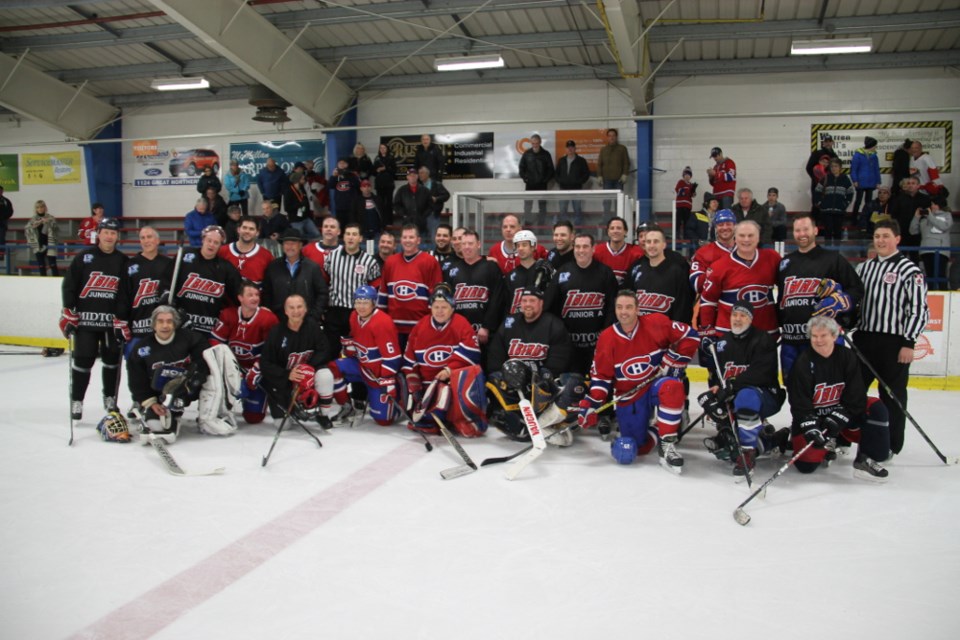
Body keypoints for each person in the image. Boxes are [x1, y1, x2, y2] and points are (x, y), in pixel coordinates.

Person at [578, 290, 698, 472]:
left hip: (655, 385)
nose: (623, 312)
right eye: (619, 307)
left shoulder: (656, 323)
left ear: (637, 309)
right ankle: (665, 427)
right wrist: (592, 403)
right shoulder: (607, 338)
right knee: (639, 448)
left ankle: (668, 444)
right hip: (630, 394)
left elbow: (691, 335)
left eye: (628, 307)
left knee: (671, 387)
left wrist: (673, 360)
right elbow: (601, 377)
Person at [854, 219, 929, 456]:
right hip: (864, 339)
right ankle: (846, 437)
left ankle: (891, 444)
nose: (881, 241)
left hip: (894, 343)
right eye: (877, 236)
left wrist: (909, 342)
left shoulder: (910, 270)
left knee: (893, 397)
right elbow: (855, 303)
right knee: (852, 392)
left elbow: (919, 310)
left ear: (897, 239)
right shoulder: (864, 268)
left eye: (886, 236)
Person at [787, 316, 891, 481]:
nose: (818, 340)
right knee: (806, 467)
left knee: (876, 407)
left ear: (834, 336)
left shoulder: (847, 357)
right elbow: (799, 402)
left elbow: (856, 394)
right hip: (818, 420)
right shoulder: (803, 362)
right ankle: (825, 446)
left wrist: (840, 415)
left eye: (823, 336)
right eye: (814, 336)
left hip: (843, 417)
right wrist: (811, 425)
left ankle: (865, 458)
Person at [127, 306, 241, 441]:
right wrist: (151, 403)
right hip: (162, 395)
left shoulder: (191, 339)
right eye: (161, 321)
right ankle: (172, 415)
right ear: (154, 324)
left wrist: (192, 380)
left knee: (219, 356)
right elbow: (137, 381)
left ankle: (210, 417)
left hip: (189, 387)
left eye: (169, 321)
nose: (165, 325)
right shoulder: (142, 349)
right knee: (156, 426)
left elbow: (204, 363)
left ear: (175, 324)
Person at [698, 300, 786, 477]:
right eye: (735, 315)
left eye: (743, 315)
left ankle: (747, 454)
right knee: (706, 401)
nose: (737, 319)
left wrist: (732, 385)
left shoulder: (763, 340)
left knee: (746, 396)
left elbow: (763, 374)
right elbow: (717, 376)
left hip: (766, 395)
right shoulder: (722, 344)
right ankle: (770, 440)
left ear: (751, 319)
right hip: (735, 396)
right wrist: (714, 390)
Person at [486, 288, 579, 443]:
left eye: (532, 301)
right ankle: (525, 425)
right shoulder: (510, 323)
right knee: (494, 383)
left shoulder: (553, 324)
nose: (527, 304)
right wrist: (503, 375)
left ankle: (543, 423)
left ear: (541, 303)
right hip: (514, 384)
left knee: (572, 385)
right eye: (524, 301)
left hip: (541, 384)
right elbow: (495, 355)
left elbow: (560, 356)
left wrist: (544, 376)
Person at [776, 213, 863, 377]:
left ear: (815, 230)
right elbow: (782, 299)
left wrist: (839, 302)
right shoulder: (785, 264)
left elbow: (856, 289)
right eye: (797, 230)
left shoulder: (832, 259)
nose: (802, 234)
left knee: (826, 390)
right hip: (791, 340)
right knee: (795, 391)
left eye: (806, 229)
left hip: (822, 340)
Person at [59, 217, 128, 421]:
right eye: (106, 232)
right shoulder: (84, 257)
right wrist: (68, 311)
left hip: (110, 323)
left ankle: (109, 399)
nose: (109, 236)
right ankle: (77, 400)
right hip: (86, 322)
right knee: (83, 361)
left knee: (112, 362)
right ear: (99, 233)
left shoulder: (123, 261)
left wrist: (122, 318)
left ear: (117, 237)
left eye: (113, 233)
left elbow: (126, 293)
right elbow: (69, 285)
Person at [401, 284, 483, 434]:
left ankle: (450, 418)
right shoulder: (420, 326)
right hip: (426, 386)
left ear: (452, 308)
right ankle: (429, 417)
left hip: (451, 383)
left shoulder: (461, 323)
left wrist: (448, 369)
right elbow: (409, 359)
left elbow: (473, 353)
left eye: (444, 307)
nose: (439, 311)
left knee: (468, 375)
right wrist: (412, 379)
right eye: (436, 306)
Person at [327, 285, 402, 426]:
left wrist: (386, 379)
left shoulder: (382, 323)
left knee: (383, 420)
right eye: (358, 302)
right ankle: (346, 406)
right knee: (332, 368)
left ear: (374, 303)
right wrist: (350, 347)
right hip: (361, 366)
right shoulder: (354, 316)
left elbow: (393, 358)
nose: (361, 307)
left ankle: (399, 402)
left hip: (377, 373)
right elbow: (355, 341)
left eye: (365, 302)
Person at [544, 233, 618, 375]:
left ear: (593, 249)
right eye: (577, 246)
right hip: (569, 346)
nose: (581, 250)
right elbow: (550, 306)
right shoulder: (562, 273)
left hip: (597, 345)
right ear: (573, 248)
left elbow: (612, 307)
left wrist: (606, 333)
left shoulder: (605, 273)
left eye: (585, 246)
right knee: (571, 386)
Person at [257, 293, 335, 425]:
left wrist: (308, 368)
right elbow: (265, 363)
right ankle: (293, 410)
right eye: (291, 308)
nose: (296, 311)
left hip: (307, 376)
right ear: (286, 310)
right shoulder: (277, 332)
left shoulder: (313, 327)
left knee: (325, 375)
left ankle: (323, 414)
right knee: (283, 425)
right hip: (284, 381)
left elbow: (324, 350)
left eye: (299, 307)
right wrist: (287, 375)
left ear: (305, 309)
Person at [210, 280, 280, 424]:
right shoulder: (228, 314)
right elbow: (215, 343)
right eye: (250, 295)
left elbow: (273, 351)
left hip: (256, 368)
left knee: (253, 418)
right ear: (240, 298)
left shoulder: (268, 319)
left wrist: (257, 369)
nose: (255, 298)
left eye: (256, 294)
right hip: (233, 367)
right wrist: (229, 370)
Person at [699, 220, 780, 336]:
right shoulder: (719, 266)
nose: (746, 239)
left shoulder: (772, 258)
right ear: (735, 238)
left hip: (766, 333)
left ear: (758, 238)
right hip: (729, 335)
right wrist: (707, 331)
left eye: (751, 235)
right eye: (742, 235)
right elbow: (708, 300)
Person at [321, 222, 381, 355]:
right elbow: (324, 283)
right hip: (334, 311)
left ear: (360, 238)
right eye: (348, 234)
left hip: (358, 312)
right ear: (343, 236)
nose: (350, 237)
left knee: (356, 350)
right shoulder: (331, 257)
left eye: (354, 234)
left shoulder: (370, 262)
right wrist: (323, 308)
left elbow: (375, 289)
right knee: (331, 350)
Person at [378, 224, 442, 348]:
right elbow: (383, 293)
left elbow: (436, 295)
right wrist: (381, 321)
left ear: (418, 240)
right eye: (405, 237)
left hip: (420, 327)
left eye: (411, 237)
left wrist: (432, 323)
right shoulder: (391, 262)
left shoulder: (430, 261)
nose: (407, 240)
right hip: (394, 327)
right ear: (400, 240)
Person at [171, 225, 242, 335]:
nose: (211, 245)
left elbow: (238, 292)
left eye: (216, 242)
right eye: (209, 240)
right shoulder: (184, 255)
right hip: (181, 324)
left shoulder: (226, 267)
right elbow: (168, 280)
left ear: (220, 245)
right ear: (203, 239)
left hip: (209, 327)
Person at [444, 228, 505, 349]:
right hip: (459, 332)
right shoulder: (452, 270)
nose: (467, 247)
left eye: (470, 243)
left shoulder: (491, 267)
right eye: (464, 244)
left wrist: (487, 326)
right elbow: (448, 301)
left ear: (478, 244)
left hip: (486, 334)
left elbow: (497, 299)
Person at [117, 226, 174, 345]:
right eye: (142, 238)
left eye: (149, 237)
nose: (146, 240)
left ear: (157, 240)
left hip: (164, 330)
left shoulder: (169, 264)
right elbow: (123, 297)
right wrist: (121, 322)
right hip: (138, 329)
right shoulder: (130, 265)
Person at [261, 228, 329, 326]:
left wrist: (314, 316)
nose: (290, 247)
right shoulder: (273, 267)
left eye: (293, 243)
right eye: (286, 243)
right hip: (279, 321)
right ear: (282, 245)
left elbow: (322, 293)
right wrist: (271, 316)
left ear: (300, 245)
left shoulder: (312, 267)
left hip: (307, 322)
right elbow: (266, 293)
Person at [625, 226, 693, 323]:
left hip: (666, 332)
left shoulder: (676, 271)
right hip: (641, 331)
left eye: (656, 241)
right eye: (648, 242)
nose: (652, 245)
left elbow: (683, 307)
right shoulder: (636, 269)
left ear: (664, 245)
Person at [689, 208, 736, 304]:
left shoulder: (745, 250)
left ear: (735, 226)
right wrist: (712, 273)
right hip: (712, 307)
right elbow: (696, 284)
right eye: (720, 224)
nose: (725, 227)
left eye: (728, 224)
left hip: (740, 309)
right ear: (715, 228)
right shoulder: (703, 252)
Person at [909, 194, 953, 290]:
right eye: (931, 204)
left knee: (940, 275)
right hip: (926, 250)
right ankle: (930, 295)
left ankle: (943, 294)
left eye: (934, 204)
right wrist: (916, 217)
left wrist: (930, 216)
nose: (932, 206)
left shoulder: (947, 215)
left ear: (940, 205)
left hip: (941, 250)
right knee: (929, 276)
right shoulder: (925, 218)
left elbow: (944, 226)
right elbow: (913, 231)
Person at [593, 216, 644, 285]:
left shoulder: (636, 253)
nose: (615, 231)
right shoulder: (596, 251)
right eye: (612, 228)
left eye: (619, 228)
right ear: (608, 232)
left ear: (625, 232)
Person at [890, 175, 930, 261]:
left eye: (913, 183)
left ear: (918, 185)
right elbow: (894, 215)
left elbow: (928, 216)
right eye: (908, 183)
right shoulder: (899, 198)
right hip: (902, 232)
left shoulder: (925, 199)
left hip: (918, 233)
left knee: (915, 257)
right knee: (901, 257)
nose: (910, 185)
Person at [518, 134, 554, 226]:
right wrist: (525, 178)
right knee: (527, 206)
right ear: (531, 143)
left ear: (540, 142)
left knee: (542, 206)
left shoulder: (546, 154)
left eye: (536, 143)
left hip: (542, 185)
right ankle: (527, 224)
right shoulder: (527, 154)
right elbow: (521, 167)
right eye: (533, 143)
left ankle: (542, 224)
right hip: (530, 184)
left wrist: (545, 180)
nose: (535, 145)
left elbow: (551, 169)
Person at [815, 158, 855, 240]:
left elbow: (850, 193)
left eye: (836, 166)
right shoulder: (825, 178)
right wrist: (820, 203)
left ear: (840, 167)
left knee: (838, 232)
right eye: (832, 166)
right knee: (827, 232)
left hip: (840, 211)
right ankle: (827, 251)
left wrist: (845, 204)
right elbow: (817, 191)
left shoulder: (845, 179)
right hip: (826, 211)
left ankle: (837, 251)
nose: (834, 168)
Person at [555, 140, 590, 225]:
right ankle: (564, 227)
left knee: (577, 209)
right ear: (566, 149)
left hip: (576, 189)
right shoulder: (561, 160)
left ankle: (578, 228)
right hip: (563, 189)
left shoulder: (581, 161)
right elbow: (556, 173)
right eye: (568, 147)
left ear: (575, 148)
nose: (570, 149)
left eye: (572, 147)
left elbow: (586, 174)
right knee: (563, 209)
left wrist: (579, 182)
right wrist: (560, 181)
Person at [597, 128, 630, 215]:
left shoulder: (622, 149)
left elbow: (626, 163)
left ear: (616, 137)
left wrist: (625, 174)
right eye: (610, 136)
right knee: (607, 201)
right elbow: (599, 164)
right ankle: (606, 218)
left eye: (613, 136)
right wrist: (599, 176)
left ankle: (618, 217)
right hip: (606, 180)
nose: (612, 138)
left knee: (618, 201)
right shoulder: (603, 150)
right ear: (607, 137)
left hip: (618, 180)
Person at [25, 200, 59, 276]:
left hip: (50, 243)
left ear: (45, 208)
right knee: (41, 265)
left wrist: (48, 223)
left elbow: (56, 228)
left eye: (42, 207)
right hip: (38, 244)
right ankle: (43, 281)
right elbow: (27, 230)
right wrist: (34, 226)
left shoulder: (50, 217)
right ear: (36, 209)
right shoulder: (33, 219)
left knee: (53, 264)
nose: (40, 209)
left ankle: (56, 280)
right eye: (38, 207)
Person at [393, 168, 431, 236]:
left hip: (421, 224)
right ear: (407, 177)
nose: (412, 177)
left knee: (421, 244)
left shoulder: (425, 190)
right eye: (410, 175)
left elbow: (430, 205)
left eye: (414, 175)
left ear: (417, 176)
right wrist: (404, 214)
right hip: (407, 223)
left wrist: (423, 216)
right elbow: (396, 205)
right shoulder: (402, 190)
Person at [851, 136, 881, 219]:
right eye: (875, 145)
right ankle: (854, 218)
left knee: (868, 202)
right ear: (871, 145)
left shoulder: (874, 156)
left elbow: (876, 170)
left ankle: (867, 218)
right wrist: (855, 180)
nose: (875, 147)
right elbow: (853, 169)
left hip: (871, 182)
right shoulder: (857, 156)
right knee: (858, 201)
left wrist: (878, 182)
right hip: (860, 182)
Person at [283, 170, 319, 240]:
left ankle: (305, 240)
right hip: (295, 220)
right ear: (297, 180)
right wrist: (299, 205)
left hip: (306, 218)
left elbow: (306, 203)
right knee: (299, 238)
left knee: (316, 234)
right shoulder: (288, 191)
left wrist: (310, 215)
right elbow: (287, 208)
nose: (304, 180)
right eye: (302, 179)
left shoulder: (302, 189)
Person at [418, 166, 450, 242]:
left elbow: (446, 195)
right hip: (421, 216)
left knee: (434, 238)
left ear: (427, 174)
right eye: (419, 173)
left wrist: (436, 199)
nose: (420, 175)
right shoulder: (419, 186)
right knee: (421, 239)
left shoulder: (436, 184)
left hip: (433, 215)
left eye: (421, 173)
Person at [805, 134, 838, 207]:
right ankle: (815, 217)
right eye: (826, 141)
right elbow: (809, 167)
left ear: (832, 143)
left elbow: (837, 169)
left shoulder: (834, 155)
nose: (828, 143)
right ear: (823, 143)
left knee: (829, 202)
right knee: (816, 202)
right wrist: (816, 177)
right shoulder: (817, 153)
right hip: (817, 183)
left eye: (830, 141)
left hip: (830, 183)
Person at [329, 157, 360, 230]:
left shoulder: (352, 175)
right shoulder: (335, 176)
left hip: (351, 206)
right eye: (340, 163)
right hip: (340, 206)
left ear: (347, 164)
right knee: (341, 226)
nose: (342, 165)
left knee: (351, 225)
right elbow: (330, 186)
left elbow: (357, 185)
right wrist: (333, 176)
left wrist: (349, 174)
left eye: (344, 163)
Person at [372, 143, 397, 225]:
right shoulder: (377, 158)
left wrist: (385, 168)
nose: (382, 149)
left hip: (389, 184)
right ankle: (381, 221)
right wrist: (377, 170)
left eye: (384, 148)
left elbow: (394, 171)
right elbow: (373, 171)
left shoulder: (391, 158)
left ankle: (389, 221)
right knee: (380, 203)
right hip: (379, 184)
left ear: (387, 149)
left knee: (388, 203)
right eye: (381, 148)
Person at [673, 167, 697, 242]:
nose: (687, 176)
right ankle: (677, 234)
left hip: (688, 206)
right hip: (680, 205)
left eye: (688, 175)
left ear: (690, 176)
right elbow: (679, 191)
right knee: (678, 220)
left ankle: (686, 235)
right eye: (685, 175)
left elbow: (693, 195)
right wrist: (688, 190)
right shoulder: (681, 182)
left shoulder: (691, 185)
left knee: (687, 221)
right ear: (683, 176)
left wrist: (693, 190)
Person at [0, 185, 12, 261]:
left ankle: (1, 254)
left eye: (1, 191)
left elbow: (10, 211)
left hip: (2, 224)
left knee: (1, 238)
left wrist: (4, 217)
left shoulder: (6, 201)